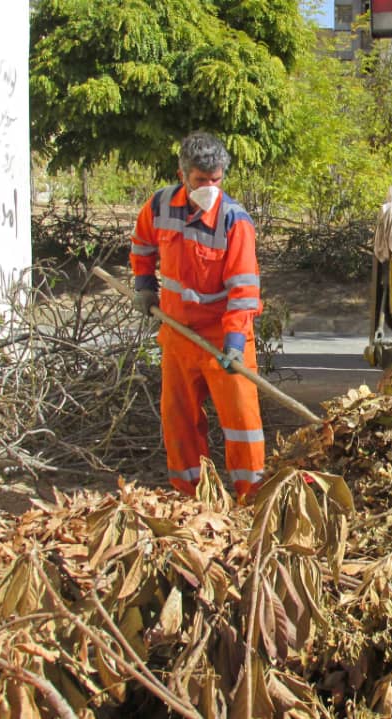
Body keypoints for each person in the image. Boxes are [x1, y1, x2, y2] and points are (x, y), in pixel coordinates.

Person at [129, 131, 265, 502]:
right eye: (201, 181)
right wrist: (144, 285)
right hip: (177, 335)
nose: (209, 187)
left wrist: (235, 344)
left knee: (241, 423)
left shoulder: (234, 221)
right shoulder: (159, 206)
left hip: (223, 336)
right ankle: (189, 496)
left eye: (216, 180)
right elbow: (142, 244)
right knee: (179, 419)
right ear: (182, 175)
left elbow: (243, 290)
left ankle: (249, 498)